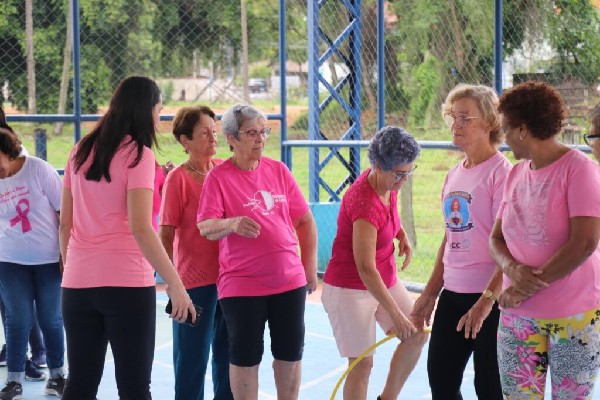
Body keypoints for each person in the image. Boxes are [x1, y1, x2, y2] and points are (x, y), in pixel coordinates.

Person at [59, 76, 196, 400]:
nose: (159, 118)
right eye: (158, 110)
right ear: (145, 110)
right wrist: (176, 285)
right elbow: (141, 227)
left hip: (77, 286)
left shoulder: (79, 151)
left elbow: (65, 224)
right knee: (134, 388)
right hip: (127, 286)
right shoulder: (139, 155)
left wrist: (73, 269)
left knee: (79, 385)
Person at [197, 104, 317, 400]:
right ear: (231, 138)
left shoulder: (279, 170)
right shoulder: (218, 178)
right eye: (251, 133)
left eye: (264, 131)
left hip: (289, 280)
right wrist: (232, 223)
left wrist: (308, 268)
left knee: (290, 354)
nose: (260, 139)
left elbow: (304, 221)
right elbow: (205, 226)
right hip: (242, 285)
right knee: (245, 356)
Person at [491, 81, 600, 398]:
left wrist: (524, 287)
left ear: (523, 130)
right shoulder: (515, 173)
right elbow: (496, 239)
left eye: (506, 129)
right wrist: (511, 268)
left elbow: (584, 243)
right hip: (518, 315)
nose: (504, 137)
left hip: (573, 316)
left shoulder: (580, 170)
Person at [411, 84, 510, 399]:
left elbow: (510, 246)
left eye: (465, 117)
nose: (456, 124)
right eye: (453, 117)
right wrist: (430, 293)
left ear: (490, 122)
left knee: (489, 389)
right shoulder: (454, 174)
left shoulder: (501, 174)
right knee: (441, 383)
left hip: (490, 299)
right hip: (452, 294)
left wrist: (485, 302)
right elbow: (450, 235)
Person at [321, 126, 428, 400]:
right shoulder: (364, 203)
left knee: (416, 333)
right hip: (349, 288)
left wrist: (400, 233)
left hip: (384, 278)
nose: (404, 180)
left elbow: (387, 211)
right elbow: (365, 267)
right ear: (378, 166)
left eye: (408, 172)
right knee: (361, 365)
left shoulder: (387, 182)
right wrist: (395, 315)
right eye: (399, 174)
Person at [159, 106, 233, 400]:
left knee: (228, 359)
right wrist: (172, 285)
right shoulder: (177, 179)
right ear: (185, 140)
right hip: (193, 284)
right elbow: (166, 235)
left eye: (214, 131)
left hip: (230, 279)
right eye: (205, 133)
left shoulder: (224, 170)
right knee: (191, 360)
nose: (213, 137)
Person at [0, 127, 66, 399]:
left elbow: (65, 211)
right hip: (9, 260)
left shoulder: (38, 170)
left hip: (49, 259)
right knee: (18, 319)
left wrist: (65, 254)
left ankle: (57, 376)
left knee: (51, 318)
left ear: (6, 151)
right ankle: (14, 381)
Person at [0, 107, 47, 376]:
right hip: (8, 241)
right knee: (9, 303)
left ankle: (36, 351)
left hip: (17, 242)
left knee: (20, 303)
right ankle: (17, 349)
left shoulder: (18, 156)